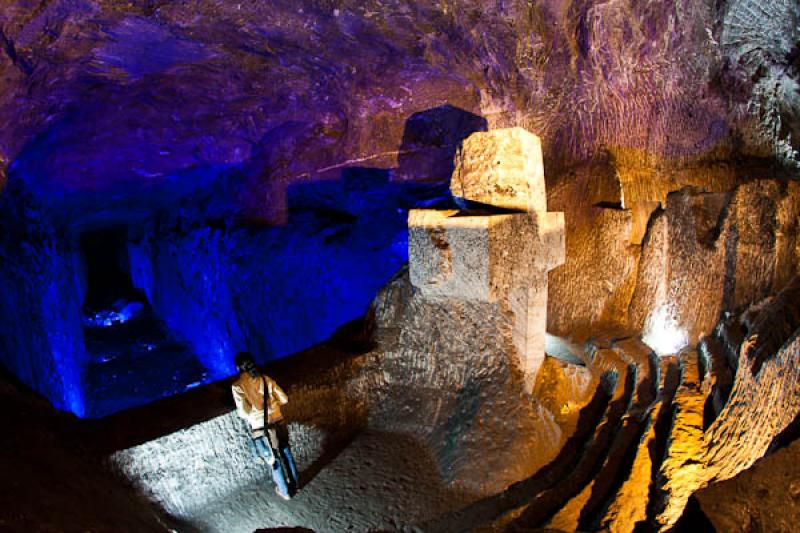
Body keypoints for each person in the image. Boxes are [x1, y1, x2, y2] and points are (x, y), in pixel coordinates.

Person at [232, 351, 299, 500]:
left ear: (238, 368)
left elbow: (244, 412)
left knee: (274, 460)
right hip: (278, 421)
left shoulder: (237, 386)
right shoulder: (265, 378)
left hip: (262, 429)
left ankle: (285, 492)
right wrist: (273, 406)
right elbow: (284, 399)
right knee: (286, 453)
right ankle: (296, 484)